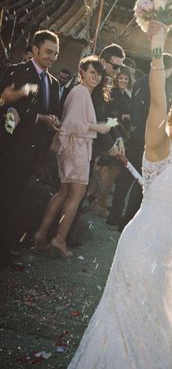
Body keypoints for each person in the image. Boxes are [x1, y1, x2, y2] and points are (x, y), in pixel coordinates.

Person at [19, 21, 172, 369]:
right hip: (141, 247)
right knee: (129, 324)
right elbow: (159, 100)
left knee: (160, 328)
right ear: (171, 122)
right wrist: (159, 44)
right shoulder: (159, 147)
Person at [33, 56, 111, 257]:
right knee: (75, 196)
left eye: (99, 73)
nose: (96, 77)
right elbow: (72, 124)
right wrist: (98, 127)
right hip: (76, 148)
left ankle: (42, 234)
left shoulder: (80, 92)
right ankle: (58, 239)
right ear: (82, 72)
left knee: (64, 193)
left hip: (74, 147)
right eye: (92, 72)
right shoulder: (81, 92)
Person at [0, 30, 61, 264]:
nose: (52, 57)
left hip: (34, 153)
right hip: (10, 149)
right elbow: (4, 104)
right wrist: (38, 118)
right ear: (34, 50)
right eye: (48, 52)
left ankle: (4, 250)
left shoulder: (53, 83)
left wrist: (53, 121)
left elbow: (52, 111)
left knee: (14, 202)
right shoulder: (18, 71)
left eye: (56, 54)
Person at [107, 53, 172, 229]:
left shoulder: (140, 80)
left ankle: (114, 215)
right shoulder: (164, 85)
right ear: (169, 70)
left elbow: (134, 107)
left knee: (126, 176)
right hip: (149, 137)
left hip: (134, 133)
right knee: (142, 181)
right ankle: (127, 221)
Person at [92, 66, 133, 216]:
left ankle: (96, 201)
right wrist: (123, 119)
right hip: (114, 134)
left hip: (120, 135)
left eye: (126, 78)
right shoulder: (114, 93)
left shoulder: (126, 95)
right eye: (120, 78)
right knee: (111, 171)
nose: (123, 80)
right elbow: (111, 117)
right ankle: (100, 205)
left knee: (107, 169)